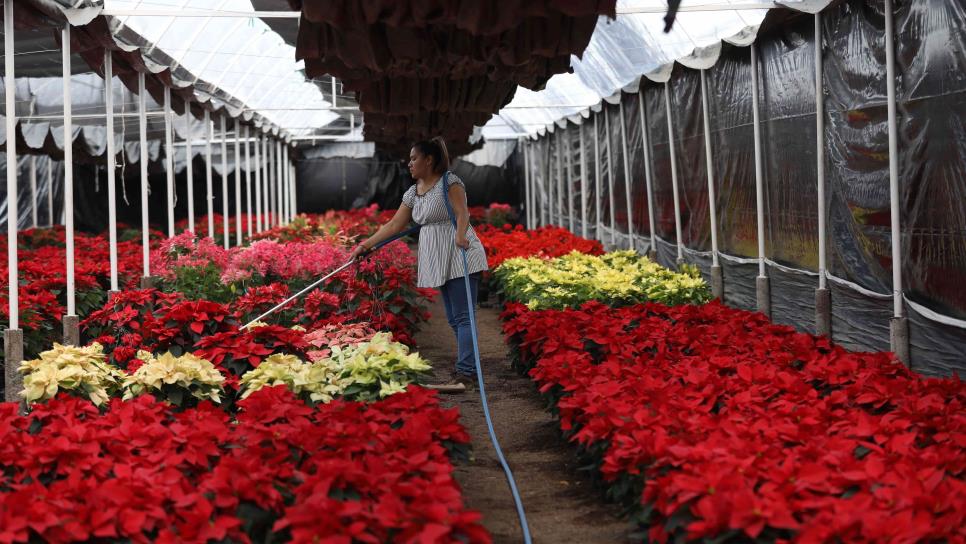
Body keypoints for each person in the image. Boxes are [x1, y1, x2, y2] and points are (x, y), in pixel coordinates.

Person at [350, 137, 489, 389]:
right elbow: (394, 224)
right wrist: (365, 245)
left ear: (429, 160)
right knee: (454, 318)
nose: (409, 163)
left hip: (459, 251)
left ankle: (466, 371)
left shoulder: (450, 182)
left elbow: (462, 213)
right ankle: (469, 368)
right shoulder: (413, 192)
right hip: (436, 254)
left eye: (414, 158)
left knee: (463, 316)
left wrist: (460, 234)